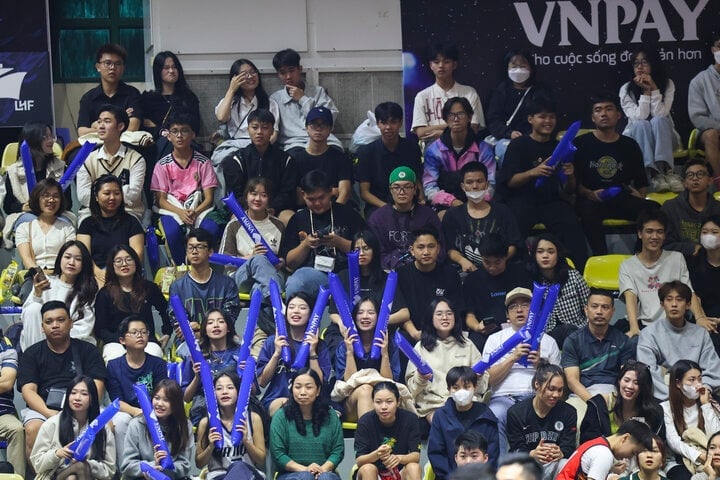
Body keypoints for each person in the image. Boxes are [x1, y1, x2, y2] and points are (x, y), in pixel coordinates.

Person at [495, 97, 588, 270]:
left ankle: (578, 274)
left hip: (550, 200)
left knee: (570, 224)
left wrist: (570, 176)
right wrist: (533, 172)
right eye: (542, 117)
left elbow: (569, 190)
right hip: (522, 200)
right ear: (531, 119)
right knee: (513, 224)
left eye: (551, 117)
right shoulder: (518, 145)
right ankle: (515, 272)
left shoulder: (559, 146)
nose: (548, 121)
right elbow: (509, 182)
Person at [18, 300, 107, 462]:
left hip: (84, 406)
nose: (55, 325)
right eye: (49, 321)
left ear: (71, 323)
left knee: (109, 426)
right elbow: (28, 391)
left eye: (61, 320)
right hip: (44, 408)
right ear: (42, 327)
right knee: (33, 428)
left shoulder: (88, 350)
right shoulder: (31, 353)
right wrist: (51, 414)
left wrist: (79, 412)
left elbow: (97, 387)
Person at [573, 92, 660, 255]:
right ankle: (601, 258)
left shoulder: (630, 145)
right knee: (586, 211)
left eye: (608, 109)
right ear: (593, 117)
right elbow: (573, 184)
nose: (603, 114)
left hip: (621, 198)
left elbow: (641, 183)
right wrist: (589, 193)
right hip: (591, 199)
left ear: (618, 115)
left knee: (654, 209)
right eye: (598, 110)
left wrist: (639, 197)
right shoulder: (580, 144)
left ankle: (638, 256)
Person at [483, 288, 561, 457]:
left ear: (535, 311)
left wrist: (540, 364)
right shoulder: (495, 339)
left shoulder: (549, 341)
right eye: (513, 307)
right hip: (504, 397)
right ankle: (500, 472)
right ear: (507, 315)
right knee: (493, 416)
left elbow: (559, 384)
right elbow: (489, 380)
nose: (519, 310)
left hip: (537, 397)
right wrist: (513, 358)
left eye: (526, 305)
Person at [619, 210, 710, 337]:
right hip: (643, 324)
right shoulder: (628, 265)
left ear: (665, 235)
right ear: (640, 234)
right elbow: (631, 297)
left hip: (674, 322)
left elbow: (688, 291)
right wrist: (634, 328)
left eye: (659, 232)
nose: (655, 236)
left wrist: (700, 318)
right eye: (649, 231)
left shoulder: (676, 258)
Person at [279, 170, 366, 298]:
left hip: (347, 273)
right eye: (311, 199)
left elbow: (367, 250)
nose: (318, 203)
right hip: (312, 274)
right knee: (296, 282)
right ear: (303, 195)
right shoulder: (297, 219)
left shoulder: (349, 214)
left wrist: (339, 242)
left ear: (331, 191)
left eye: (321, 198)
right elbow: (290, 263)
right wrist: (306, 245)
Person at [325, 230, 410, 355]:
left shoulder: (387, 279)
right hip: (348, 329)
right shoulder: (342, 276)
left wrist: (378, 321)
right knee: (336, 342)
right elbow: (333, 312)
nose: (361, 253)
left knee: (400, 340)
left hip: (378, 330)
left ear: (374, 251)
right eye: (357, 249)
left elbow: (404, 313)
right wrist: (341, 323)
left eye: (366, 248)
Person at [151, 112, 220, 265]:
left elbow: (209, 198)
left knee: (211, 229)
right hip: (172, 209)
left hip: (199, 208)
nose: (179, 135)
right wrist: (181, 213)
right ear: (168, 136)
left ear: (193, 134)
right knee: (172, 232)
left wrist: (195, 212)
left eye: (184, 130)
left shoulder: (203, 162)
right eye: (175, 131)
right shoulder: (162, 165)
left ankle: (202, 268)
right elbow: (161, 200)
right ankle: (182, 270)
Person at [405, 298, 487, 423]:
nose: (445, 317)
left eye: (449, 313)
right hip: (435, 405)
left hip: (466, 402)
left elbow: (481, 388)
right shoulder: (421, 347)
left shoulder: (467, 344)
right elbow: (412, 391)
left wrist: (479, 377)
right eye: (439, 314)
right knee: (445, 423)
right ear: (430, 318)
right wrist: (421, 378)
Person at [637, 281, 720, 401]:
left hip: (697, 393)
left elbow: (713, 369)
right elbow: (648, 371)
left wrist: (700, 390)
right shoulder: (649, 334)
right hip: (664, 397)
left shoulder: (700, 334)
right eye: (669, 299)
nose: (674, 304)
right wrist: (676, 396)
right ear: (662, 304)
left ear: (688, 305)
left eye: (679, 299)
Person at [257, 293, 332, 416]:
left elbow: (320, 383)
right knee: (287, 404)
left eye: (302, 308)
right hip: (276, 400)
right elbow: (262, 381)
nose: (296, 311)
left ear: (311, 315)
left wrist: (312, 352)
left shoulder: (320, 345)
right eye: (291, 307)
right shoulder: (272, 341)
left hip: (308, 401)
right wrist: (276, 354)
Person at [29, 376, 116, 480]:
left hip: (89, 476)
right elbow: (37, 464)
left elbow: (109, 470)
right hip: (54, 476)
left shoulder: (102, 428)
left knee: (75, 474)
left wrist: (88, 464)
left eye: (84, 394)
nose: (77, 398)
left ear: (93, 398)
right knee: (77, 470)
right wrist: (56, 454)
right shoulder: (52, 423)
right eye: (73, 393)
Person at [94, 245, 171, 362]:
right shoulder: (105, 293)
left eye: (129, 259)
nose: (124, 264)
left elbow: (165, 309)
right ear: (112, 266)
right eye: (118, 261)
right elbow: (101, 329)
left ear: (136, 262)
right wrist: (123, 340)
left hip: (146, 340)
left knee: (154, 354)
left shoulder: (148, 288)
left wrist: (167, 332)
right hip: (116, 342)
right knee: (114, 357)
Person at [620, 47, 682, 190]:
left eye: (644, 62)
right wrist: (646, 92)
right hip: (637, 139)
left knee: (658, 120)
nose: (640, 67)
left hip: (664, 137)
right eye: (636, 63)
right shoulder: (626, 89)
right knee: (642, 124)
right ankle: (653, 174)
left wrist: (653, 87)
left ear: (653, 64)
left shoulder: (668, 83)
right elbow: (638, 117)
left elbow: (660, 114)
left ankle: (668, 171)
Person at [106, 316, 167, 463]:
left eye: (143, 332)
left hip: (154, 409)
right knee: (120, 421)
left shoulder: (158, 364)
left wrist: (148, 411)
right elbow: (117, 400)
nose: (140, 335)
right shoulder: (114, 366)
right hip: (127, 411)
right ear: (122, 340)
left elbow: (162, 394)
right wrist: (137, 412)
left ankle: (159, 464)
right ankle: (127, 467)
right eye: (134, 332)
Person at [442, 162, 522, 272]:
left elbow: (514, 244)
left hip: (499, 270)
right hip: (465, 272)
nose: (475, 186)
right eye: (469, 182)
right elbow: (448, 248)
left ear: (487, 184)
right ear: (462, 186)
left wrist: (498, 262)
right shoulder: (452, 215)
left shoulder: (503, 212)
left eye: (479, 181)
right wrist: (462, 261)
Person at [220, 110, 297, 222]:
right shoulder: (237, 159)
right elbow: (235, 194)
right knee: (235, 219)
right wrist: (253, 208)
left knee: (289, 218)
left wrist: (271, 207)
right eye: (255, 127)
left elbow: (288, 193)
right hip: (247, 209)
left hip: (276, 210)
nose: (259, 132)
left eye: (265, 127)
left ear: (272, 131)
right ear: (248, 130)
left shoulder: (285, 159)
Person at [21, 240, 98, 350]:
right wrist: (36, 295)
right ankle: (35, 360)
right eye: (67, 257)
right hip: (40, 339)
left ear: (84, 264)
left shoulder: (88, 290)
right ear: (60, 259)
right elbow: (27, 316)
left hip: (70, 342)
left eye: (78, 259)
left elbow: (84, 327)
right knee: (33, 308)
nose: (71, 262)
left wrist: (57, 337)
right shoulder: (45, 282)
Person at [422, 97, 495, 213]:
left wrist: (473, 202)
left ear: (469, 117)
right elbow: (429, 187)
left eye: (460, 114)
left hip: (479, 202)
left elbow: (491, 183)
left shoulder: (484, 149)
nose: (456, 119)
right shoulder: (433, 151)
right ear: (445, 119)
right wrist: (452, 202)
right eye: (451, 115)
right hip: (446, 205)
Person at [269, 368, 344, 480]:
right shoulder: (281, 416)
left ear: (318, 390)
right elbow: (278, 454)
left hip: (324, 472)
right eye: (298, 387)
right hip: (290, 474)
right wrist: (305, 470)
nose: (303, 392)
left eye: (308, 387)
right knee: (305, 477)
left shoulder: (331, 415)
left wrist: (323, 469)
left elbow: (337, 451)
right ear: (292, 389)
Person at [334, 296, 401, 421]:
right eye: (360, 312)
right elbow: (348, 382)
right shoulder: (344, 345)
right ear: (354, 317)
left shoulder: (390, 344)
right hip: (351, 401)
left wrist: (385, 353)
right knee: (365, 390)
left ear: (379, 317)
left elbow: (389, 383)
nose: (365, 317)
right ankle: (369, 438)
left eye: (371, 313)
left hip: (383, 400)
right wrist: (349, 352)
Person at [506, 362, 577, 479]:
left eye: (560, 390)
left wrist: (561, 452)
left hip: (555, 464)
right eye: (551, 389)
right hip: (528, 465)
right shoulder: (516, 413)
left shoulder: (569, 412)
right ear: (537, 384)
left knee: (566, 464)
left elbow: (570, 447)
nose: (556, 395)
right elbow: (515, 449)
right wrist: (532, 454)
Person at [562, 289, 636, 402]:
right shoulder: (573, 341)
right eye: (594, 306)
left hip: (613, 393)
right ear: (586, 310)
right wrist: (594, 403)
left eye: (605, 307)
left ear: (613, 311)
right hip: (581, 394)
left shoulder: (623, 341)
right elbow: (572, 381)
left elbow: (626, 377)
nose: (599, 311)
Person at [76, 104, 146, 221]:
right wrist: (117, 194)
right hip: (94, 213)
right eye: (99, 122)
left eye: (107, 121)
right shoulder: (87, 159)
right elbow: (83, 195)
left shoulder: (136, 159)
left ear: (121, 126)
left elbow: (133, 194)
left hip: (127, 212)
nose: (101, 126)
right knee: (85, 226)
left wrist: (101, 195)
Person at [462, 234, 533, 350]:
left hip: (518, 328)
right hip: (486, 333)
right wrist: (477, 327)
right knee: (473, 344)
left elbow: (532, 305)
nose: (492, 267)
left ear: (506, 256)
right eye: (487, 262)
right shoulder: (472, 280)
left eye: (497, 262)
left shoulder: (520, 274)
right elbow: (469, 315)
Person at [219, 176, 285, 297]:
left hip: (272, 273)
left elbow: (284, 258)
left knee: (258, 289)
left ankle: (272, 305)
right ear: (246, 196)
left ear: (269, 199)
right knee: (258, 259)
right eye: (253, 194)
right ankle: (278, 304)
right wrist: (251, 258)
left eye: (263, 195)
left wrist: (282, 261)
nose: (257, 199)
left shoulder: (279, 225)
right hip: (241, 275)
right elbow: (226, 261)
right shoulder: (234, 225)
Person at [356, 101, 424, 217]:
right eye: (383, 122)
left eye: (393, 122)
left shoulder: (412, 147)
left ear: (400, 122)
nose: (388, 127)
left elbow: (416, 180)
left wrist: (421, 199)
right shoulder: (366, 152)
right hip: (378, 206)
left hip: (408, 203)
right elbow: (365, 193)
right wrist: (389, 208)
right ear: (377, 123)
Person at [428, 367, 500, 476]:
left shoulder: (487, 416)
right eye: (456, 387)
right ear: (449, 389)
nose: (461, 391)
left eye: (466, 387)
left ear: (475, 387)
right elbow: (436, 453)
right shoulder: (440, 416)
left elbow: (492, 455)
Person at [368, 166, 443, 270]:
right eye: (396, 187)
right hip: (390, 272)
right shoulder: (377, 218)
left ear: (415, 189)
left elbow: (440, 249)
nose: (401, 192)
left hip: (423, 269)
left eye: (407, 187)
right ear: (390, 190)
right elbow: (377, 252)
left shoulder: (428, 216)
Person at [486, 49, 553, 164]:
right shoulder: (500, 91)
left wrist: (532, 136)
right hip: (508, 139)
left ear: (531, 68)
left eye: (522, 66)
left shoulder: (541, 91)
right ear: (507, 69)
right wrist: (509, 133)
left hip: (536, 138)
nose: (518, 70)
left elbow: (547, 117)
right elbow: (493, 120)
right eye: (514, 66)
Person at [196, 372, 267, 480]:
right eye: (219, 389)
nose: (224, 392)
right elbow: (199, 464)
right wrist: (210, 447)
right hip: (219, 476)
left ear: (238, 391)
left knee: (238, 466)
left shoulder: (253, 418)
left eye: (230, 387)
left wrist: (247, 442)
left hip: (249, 475)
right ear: (213, 393)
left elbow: (261, 460)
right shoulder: (205, 423)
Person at [77, 174, 144, 286]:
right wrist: (99, 273)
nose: (112, 197)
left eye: (117, 193)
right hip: (95, 276)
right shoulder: (86, 224)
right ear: (96, 197)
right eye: (107, 193)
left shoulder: (132, 222)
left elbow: (137, 254)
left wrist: (117, 274)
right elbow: (84, 255)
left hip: (125, 275)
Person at [269, 48, 342, 152]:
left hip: (324, 140)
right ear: (278, 75)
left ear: (300, 69)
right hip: (294, 143)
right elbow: (272, 129)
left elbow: (330, 118)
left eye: (291, 70)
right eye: (283, 73)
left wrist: (303, 99)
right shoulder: (276, 99)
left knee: (336, 152)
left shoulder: (318, 92)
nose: (288, 76)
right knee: (297, 157)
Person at [121, 379, 194, 480]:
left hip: (172, 476)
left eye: (166, 400)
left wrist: (164, 469)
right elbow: (127, 465)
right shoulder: (137, 424)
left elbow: (185, 464)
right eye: (157, 398)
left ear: (176, 403)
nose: (159, 404)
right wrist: (152, 466)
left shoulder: (184, 425)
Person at [411, 42, 484, 143]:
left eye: (446, 62)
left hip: (464, 145)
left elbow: (473, 128)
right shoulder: (422, 96)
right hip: (433, 146)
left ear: (454, 65)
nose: (441, 66)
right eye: (436, 62)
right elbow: (421, 132)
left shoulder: (469, 93)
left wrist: (441, 133)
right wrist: (456, 127)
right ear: (431, 65)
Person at [167, 227, 240, 326]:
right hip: (188, 340)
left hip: (220, 338)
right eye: (190, 247)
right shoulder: (177, 287)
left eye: (200, 247)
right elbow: (178, 323)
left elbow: (229, 320)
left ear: (210, 252)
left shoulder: (227, 284)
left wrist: (200, 329)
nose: (194, 251)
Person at [581, 360, 665, 444]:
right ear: (619, 381)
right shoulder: (599, 404)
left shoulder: (654, 410)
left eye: (637, 383)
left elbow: (657, 443)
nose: (630, 386)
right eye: (626, 380)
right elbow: (588, 440)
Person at [661, 360, 720, 479]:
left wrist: (705, 405)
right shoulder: (666, 408)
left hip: (710, 456)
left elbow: (716, 435)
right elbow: (674, 443)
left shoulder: (709, 403)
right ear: (678, 383)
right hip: (679, 460)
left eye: (699, 379)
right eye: (692, 380)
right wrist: (699, 456)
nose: (698, 384)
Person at [529, 234, 590, 347]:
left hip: (578, 330)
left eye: (551, 252)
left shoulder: (573, 276)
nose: (545, 256)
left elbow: (589, 306)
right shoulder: (530, 282)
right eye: (540, 251)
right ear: (534, 255)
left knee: (570, 330)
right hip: (546, 335)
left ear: (558, 254)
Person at [3, 122, 68, 229]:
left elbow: (68, 202)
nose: (51, 141)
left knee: (63, 223)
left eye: (51, 136)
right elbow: (8, 206)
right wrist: (22, 207)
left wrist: (53, 206)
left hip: (56, 213)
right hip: (26, 215)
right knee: (34, 223)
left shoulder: (60, 167)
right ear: (32, 140)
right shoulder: (13, 171)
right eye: (45, 137)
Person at [182, 309, 241, 425]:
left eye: (221, 321)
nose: (216, 325)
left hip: (236, 405)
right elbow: (186, 398)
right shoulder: (196, 356)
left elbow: (253, 391)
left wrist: (244, 373)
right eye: (210, 323)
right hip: (205, 407)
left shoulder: (240, 353)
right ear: (204, 330)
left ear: (228, 328)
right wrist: (197, 377)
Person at [141, 51, 200, 163]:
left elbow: (195, 126)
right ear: (158, 71)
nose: (171, 71)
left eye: (174, 67)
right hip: (155, 146)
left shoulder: (188, 98)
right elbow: (144, 127)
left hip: (185, 144)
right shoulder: (148, 99)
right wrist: (162, 131)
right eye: (166, 68)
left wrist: (158, 128)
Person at [354, 382, 422, 480]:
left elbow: (416, 456)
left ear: (398, 402)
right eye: (378, 402)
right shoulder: (365, 421)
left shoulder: (410, 419)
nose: (384, 407)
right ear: (373, 402)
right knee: (368, 469)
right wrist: (377, 454)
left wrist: (399, 458)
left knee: (414, 467)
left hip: (400, 471)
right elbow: (359, 461)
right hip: (374, 473)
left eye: (389, 401)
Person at [291, 106, 353, 205]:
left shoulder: (341, 158)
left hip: (336, 208)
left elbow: (344, 193)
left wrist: (334, 212)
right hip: (306, 210)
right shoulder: (296, 159)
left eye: (323, 125)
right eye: (314, 124)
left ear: (330, 129)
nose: (318, 129)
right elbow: (299, 198)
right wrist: (332, 191)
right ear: (306, 127)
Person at [77, 43, 141, 136]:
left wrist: (96, 125)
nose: (112, 68)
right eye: (107, 63)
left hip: (125, 147)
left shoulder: (132, 94)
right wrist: (119, 122)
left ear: (123, 68)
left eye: (118, 64)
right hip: (96, 147)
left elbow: (133, 127)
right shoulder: (88, 98)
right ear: (98, 67)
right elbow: (82, 132)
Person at [556, 419, 654, 480]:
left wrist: (610, 469)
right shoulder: (604, 454)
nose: (630, 457)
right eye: (633, 452)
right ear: (625, 438)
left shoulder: (596, 443)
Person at [15, 179, 76, 274]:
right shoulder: (24, 228)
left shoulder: (68, 228)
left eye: (56, 196)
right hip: (34, 275)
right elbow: (26, 259)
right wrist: (40, 275)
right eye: (46, 195)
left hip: (61, 275)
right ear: (37, 198)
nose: (51, 200)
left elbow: (69, 257)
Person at [215, 58, 279, 146]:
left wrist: (259, 149)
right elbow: (221, 117)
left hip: (261, 146)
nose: (250, 76)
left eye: (253, 72)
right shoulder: (230, 101)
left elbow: (274, 133)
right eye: (244, 74)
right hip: (236, 145)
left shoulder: (270, 103)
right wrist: (231, 89)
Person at [663, 160, 720, 257]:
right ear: (684, 182)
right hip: (679, 263)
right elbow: (663, 244)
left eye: (700, 174)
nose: (695, 178)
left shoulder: (717, 208)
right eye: (690, 175)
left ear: (710, 180)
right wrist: (691, 248)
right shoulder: (670, 208)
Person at [688, 34, 720, 189]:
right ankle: (719, 182)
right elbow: (697, 117)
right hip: (709, 132)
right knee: (711, 135)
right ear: (713, 50)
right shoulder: (699, 80)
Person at [690, 216, 720, 344]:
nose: (709, 236)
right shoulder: (693, 262)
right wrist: (701, 318)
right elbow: (693, 295)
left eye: (714, 232)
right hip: (702, 319)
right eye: (705, 232)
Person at [0, 336, 25, 477]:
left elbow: (6, 383)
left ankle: (16, 478)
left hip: (2, 412)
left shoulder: (5, 348)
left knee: (16, 429)